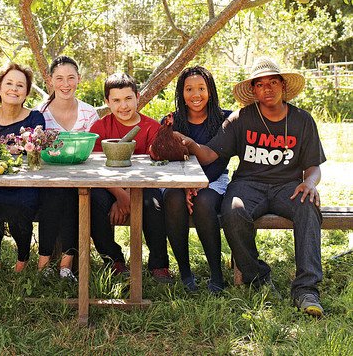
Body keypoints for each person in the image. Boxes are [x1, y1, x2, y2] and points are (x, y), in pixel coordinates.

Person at [180, 57, 325, 316]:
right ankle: (257, 277)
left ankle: (306, 289)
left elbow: (313, 164)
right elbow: (210, 154)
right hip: (248, 185)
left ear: (283, 86)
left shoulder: (303, 120)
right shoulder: (241, 119)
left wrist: (309, 183)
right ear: (254, 91)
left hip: (288, 186)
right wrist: (190, 144)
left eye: (272, 82)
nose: (267, 88)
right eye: (260, 84)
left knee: (308, 205)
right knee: (233, 211)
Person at [89, 73, 171, 282]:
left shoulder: (152, 128)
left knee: (153, 203)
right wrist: (120, 195)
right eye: (116, 100)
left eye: (128, 99)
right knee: (93, 200)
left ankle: (158, 265)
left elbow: (155, 171)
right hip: (108, 187)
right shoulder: (100, 128)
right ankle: (114, 261)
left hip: (144, 188)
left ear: (138, 97)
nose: (123, 106)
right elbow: (95, 171)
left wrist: (130, 194)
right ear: (107, 102)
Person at [164, 66, 231, 293]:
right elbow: (167, 160)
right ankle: (184, 272)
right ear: (181, 93)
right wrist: (184, 185)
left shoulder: (225, 119)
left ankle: (217, 274)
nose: (196, 94)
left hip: (214, 181)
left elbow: (219, 162)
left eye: (201, 88)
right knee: (172, 198)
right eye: (189, 89)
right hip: (179, 182)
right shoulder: (172, 121)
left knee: (203, 202)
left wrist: (197, 184)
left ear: (210, 91)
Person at [0, 62, 46, 272]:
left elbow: (36, 153)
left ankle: (22, 263)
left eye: (19, 85)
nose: (13, 89)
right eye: (9, 83)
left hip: (25, 182)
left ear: (26, 93)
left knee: (21, 209)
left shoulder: (35, 118)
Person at [37, 55, 99, 281]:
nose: (65, 84)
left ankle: (66, 266)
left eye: (71, 78)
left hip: (80, 181)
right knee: (54, 195)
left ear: (79, 79)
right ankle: (43, 264)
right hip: (46, 182)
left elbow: (95, 154)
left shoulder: (89, 113)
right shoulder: (40, 113)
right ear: (50, 80)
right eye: (59, 78)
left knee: (75, 198)